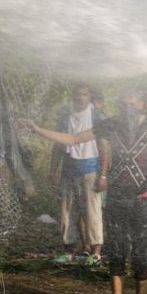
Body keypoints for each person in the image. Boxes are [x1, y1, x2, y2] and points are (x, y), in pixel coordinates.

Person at [21, 90, 147, 294]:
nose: (126, 102)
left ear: (142, 102)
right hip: (118, 197)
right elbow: (74, 139)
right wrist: (37, 129)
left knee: (141, 253)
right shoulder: (110, 125)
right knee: (117, 252)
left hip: (144, 198)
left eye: (131, 98)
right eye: (124, 99)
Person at [49, 84, 105, 263]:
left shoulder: (97, 116)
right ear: (73, 96)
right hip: (69, 168)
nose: (80, 98)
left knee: (92, 210)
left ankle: (96, 251)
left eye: (84, 94)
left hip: (90, 168)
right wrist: (53, 169)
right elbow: (57, 143)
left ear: (89, 97)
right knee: (67, 210)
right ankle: (69, 249)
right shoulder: (65, 117)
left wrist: (103, 174)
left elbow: (105, 148)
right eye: (77, 95)